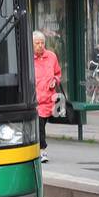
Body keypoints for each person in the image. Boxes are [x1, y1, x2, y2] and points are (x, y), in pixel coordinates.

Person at [33, 30, 62, 165]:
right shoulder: (29, 58)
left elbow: (58, 73)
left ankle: (39, 149)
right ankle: (42, 150)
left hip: (48, 99)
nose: (40, 46)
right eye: (37, 43)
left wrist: (55, 80)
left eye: (42, 43)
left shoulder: (51, 56)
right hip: (36, 100)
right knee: (39, 126)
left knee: (41, 126)